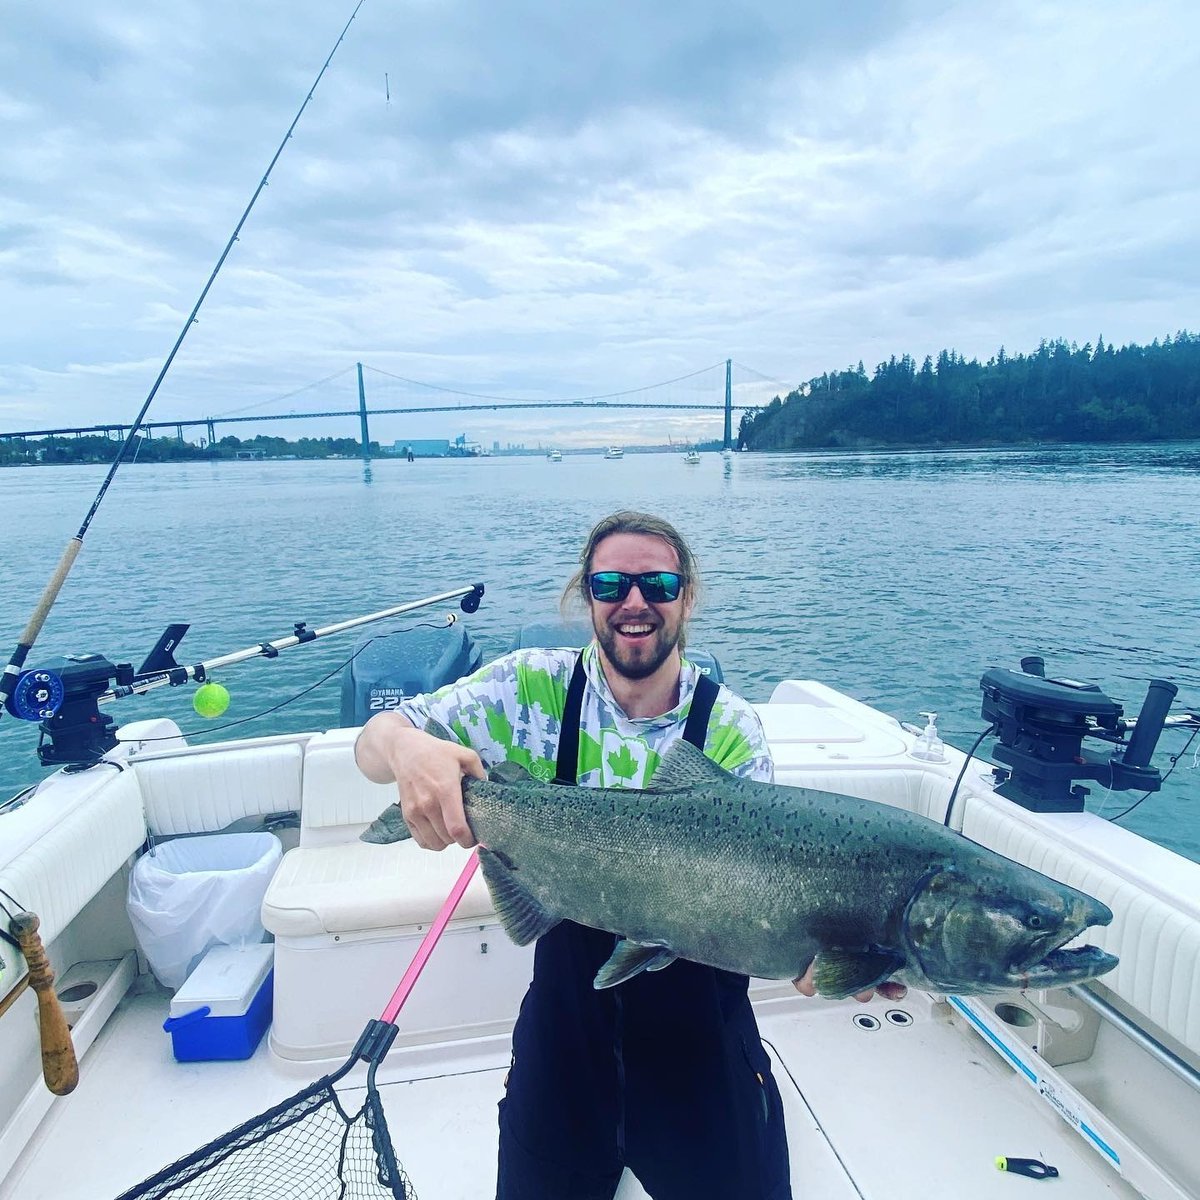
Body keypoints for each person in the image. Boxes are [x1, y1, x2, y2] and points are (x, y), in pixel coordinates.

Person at [355, 510, 902, 1199]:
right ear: (586, 597)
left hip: (698, 1021)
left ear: (687, 597)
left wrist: (809, 956)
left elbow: (759, 891)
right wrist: (408, 749)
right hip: (566, 1020)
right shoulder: (530, 690)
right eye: (610, 584)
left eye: (658, 584)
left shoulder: (730, 727)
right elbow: (372, 743)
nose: (634, 603)